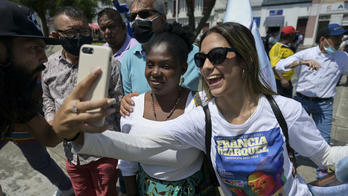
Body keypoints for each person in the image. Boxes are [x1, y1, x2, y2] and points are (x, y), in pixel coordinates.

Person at [54, 22, 348, 196]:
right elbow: (141, 146)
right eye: (203, 59)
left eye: (218, 56)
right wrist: (77, 137)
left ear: (245, 60)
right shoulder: (203, 119)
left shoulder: (285, 110)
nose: (208, 66)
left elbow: (325, 156)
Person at [0, 1, 117, 196]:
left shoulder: (17, 91)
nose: (44, 59)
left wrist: (66, 125)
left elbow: (47, 137)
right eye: (34, 48)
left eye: (43, 48)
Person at [42, 6, 123, 196]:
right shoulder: (48, 65)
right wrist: (52, 122)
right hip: (72, 154)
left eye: (84, 31)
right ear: (56, 35)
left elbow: (119, 105)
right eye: (71, 32)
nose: (79, 36)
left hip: (104, 152)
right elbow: (47, 97)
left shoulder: (109, 63)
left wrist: (122, 154)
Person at [118, 21, 204, 196]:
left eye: (165, 66)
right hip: (146, 190)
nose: (155, 72)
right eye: (150, 64)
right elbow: (127, 163)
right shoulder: (132, 108)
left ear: (183, 69)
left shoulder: (199, 105)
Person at [275, 23, 348, 149]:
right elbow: (280, 66)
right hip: (302, 101)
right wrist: (300, 62)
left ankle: (322, 168)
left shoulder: (342, 57)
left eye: (341, 38)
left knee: (324, 140)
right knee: (295, 135)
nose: (340, 42)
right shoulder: (307, 54)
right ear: (322, 39)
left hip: (325, 105)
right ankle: (293, 164)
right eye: (336, 38)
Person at [120, 0, 201, 97]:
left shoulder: (193, 53)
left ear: (162, 19)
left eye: (144, 14)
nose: (137, 21)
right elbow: (128, 98)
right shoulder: (129, 58)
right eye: (132, 17)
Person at [97, 7, 138, 196]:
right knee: (117, 169)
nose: (106, 32)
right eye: (102, 28)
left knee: (133, 168)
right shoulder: (101, 53)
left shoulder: (137, 50)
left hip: (132, 118)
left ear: (123, 26)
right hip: (110, 124)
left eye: (111, 27)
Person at [269, 26, 299, 98]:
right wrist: (282, 79)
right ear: (291, 35)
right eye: (294, 34)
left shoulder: (286, 46)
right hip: (280, 82)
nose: (295, 36)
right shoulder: (277, 48)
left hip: (286, 80)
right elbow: (274, 65)